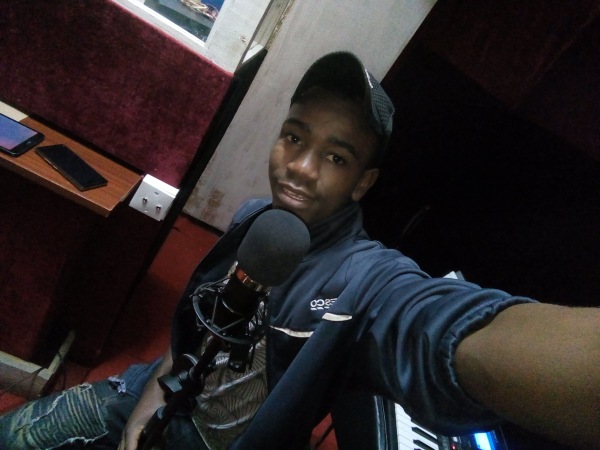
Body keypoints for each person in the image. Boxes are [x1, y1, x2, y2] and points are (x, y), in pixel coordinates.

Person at [1, 52, 598, 450]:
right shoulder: (253, 219)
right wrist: (146, 406)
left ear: (363, 182)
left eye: (335, 157)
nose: (302, 169)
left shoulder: (364, 278)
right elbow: (194, 339)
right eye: (294, 137)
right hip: (148, 394)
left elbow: (433, 326)